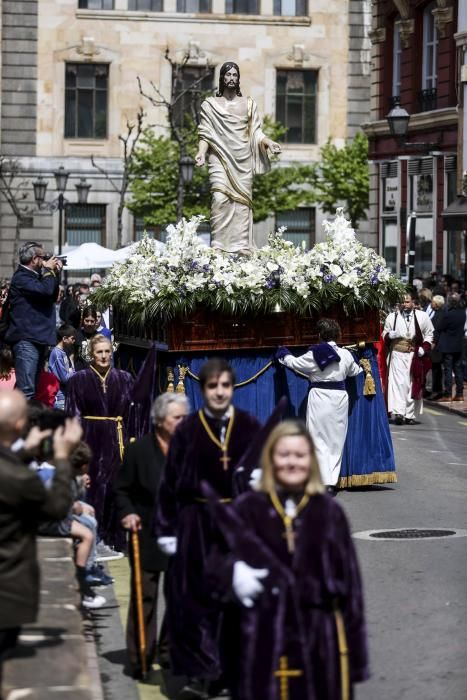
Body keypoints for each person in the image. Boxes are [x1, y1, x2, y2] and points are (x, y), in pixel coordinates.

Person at [209, 420, 369, 700]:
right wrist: (232, 574)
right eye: (284, 455)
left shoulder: (329, 513)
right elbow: (213, 565)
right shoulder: (248, 509)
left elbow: (351, 588)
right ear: (271, 459)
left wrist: (356, 658)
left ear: (311, 461)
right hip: (260, 635)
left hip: (318, 637)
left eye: (300, 455)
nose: (292, 463)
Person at [156, 358, 261, 698]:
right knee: (195, 600)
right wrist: (168, 529)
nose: (219, 392)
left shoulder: (247, 426)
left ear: (232, 388)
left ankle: (231, 670)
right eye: (212, 386)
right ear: (203, 390)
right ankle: (202, 673)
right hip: (196, 524)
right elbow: (170, 483)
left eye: (225, 386)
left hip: (235, 525)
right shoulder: (187, 430)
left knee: (233, 601)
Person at [0, 390, 82, 691]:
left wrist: (24, 451)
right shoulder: (21, 479)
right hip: (7, 592)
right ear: (21, 423)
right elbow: (57, 508)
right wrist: (61, 458)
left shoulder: (12, 467)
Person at [114, 392, 189, 679]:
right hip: (146, 533)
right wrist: (128, 513)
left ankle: (170, 651)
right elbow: (121, 489)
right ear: (159, 420)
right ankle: (140, 657)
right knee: (144, 596)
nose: (183, 423)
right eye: (177, 418)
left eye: (185, 417)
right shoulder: (139, 450)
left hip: (183, 534)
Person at [195, 61, 281, 254]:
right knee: (219, 198)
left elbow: (256, 133)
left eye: (235, 75)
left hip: (243, 158)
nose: (231, 78)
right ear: (222, 78)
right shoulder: (210, 105)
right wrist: (201, 153)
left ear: (238, 78)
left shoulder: (249, 104)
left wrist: (269, 142)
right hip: (219, 156)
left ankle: (241, 245)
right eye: (228, 75)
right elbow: (205, 134)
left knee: (242, 203)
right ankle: (218, 244)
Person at [276, 319, 362, 490]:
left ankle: (321, 480)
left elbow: (294, 363)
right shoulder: (345, 354)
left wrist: (283, 353)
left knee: (318, 438)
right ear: (337, 334)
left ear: (319, 335)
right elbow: (355, 371)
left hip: (320, 397)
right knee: (335, 440)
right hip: (340, 398)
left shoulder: (314, 354)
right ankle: (330, 481)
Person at [65, 334, 134, 550]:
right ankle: (91, 538)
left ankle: (116, 537)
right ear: (91, 354)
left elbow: (133, 413)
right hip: (90, 438)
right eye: (99, 352)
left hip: (117, 438)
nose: (104, 356)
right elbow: (72, 414)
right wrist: (76, 447)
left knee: (116, 486)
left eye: (107, 351)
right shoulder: (78, 379)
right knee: (92, 486)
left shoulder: (124, 378)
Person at [5, 242, 62, 399]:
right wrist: (49, 271)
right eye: (43, 258)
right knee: (27, 391)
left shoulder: (34, 277)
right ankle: (20, 423)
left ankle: (14, 419)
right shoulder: (22, 277)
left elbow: (52, 294)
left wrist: (55, 273)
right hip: (26, 340)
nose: (45, 261)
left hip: (37, 338)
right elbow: (45, 290)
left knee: (30, 389)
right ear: (35, 259)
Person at [383, 293, 434, 425]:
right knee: (399, 384)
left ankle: (409, 415)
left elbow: (430, 334)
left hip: (413, 355)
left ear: (413, 302)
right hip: (397, 354)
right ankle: (399, 413)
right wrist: (390, 335)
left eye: (407, 302)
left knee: (412, 383)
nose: (404, 304)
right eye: (402, 302)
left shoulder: (422, 316)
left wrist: (424, 347)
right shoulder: (392, 317)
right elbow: (384, 334)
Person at [435, 293, 466, 402]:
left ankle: (448, 394)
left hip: (448, 345)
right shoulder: (463, 313)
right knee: (458, 369)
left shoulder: (447, 314)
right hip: (458, 345)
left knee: (448, 370)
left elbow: (439, 327)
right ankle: (460, 393)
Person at [48, 324, 77, 409]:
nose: (74, 341)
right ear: (64, 339)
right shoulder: (57, 353)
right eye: (72, 338)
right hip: (59, 397)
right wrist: (78, 374)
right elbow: (65, 378)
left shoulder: (64, 352)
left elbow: (70, 371)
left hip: (66, 395)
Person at [427, 294, 445, 400]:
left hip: (437, 346)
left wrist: (433, 342)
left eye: (433, 302)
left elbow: (437, 330)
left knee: (436, 370)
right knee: (435, 369)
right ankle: (436, 390)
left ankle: (436, 391)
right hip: (436, 344)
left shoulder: (440, 315)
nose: (431, 304)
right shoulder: (437, 313)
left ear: (437, 304)